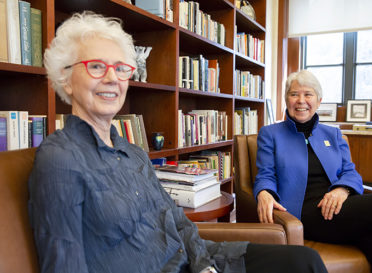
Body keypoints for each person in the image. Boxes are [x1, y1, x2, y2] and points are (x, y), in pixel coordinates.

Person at [28, 12, 328, 273]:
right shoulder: (60, 158)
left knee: (304, 262)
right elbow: (62, 263)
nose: (112, 78)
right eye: (96, 66)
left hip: (195, 260)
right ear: (65, 79)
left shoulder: (134, 153)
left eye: (121, 68)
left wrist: (205, 266)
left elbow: (177, 221)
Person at [254, 69, 372, 273]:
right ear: (286, 100)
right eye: (294, 94)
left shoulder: (334, 134)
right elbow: (265, 174)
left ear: (319, 101)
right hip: (306, 212)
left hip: (342, 207)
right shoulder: (270, 134)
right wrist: (263, 192)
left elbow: (350, 172)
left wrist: (342, 190)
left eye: (308, 94)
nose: (301, 100)